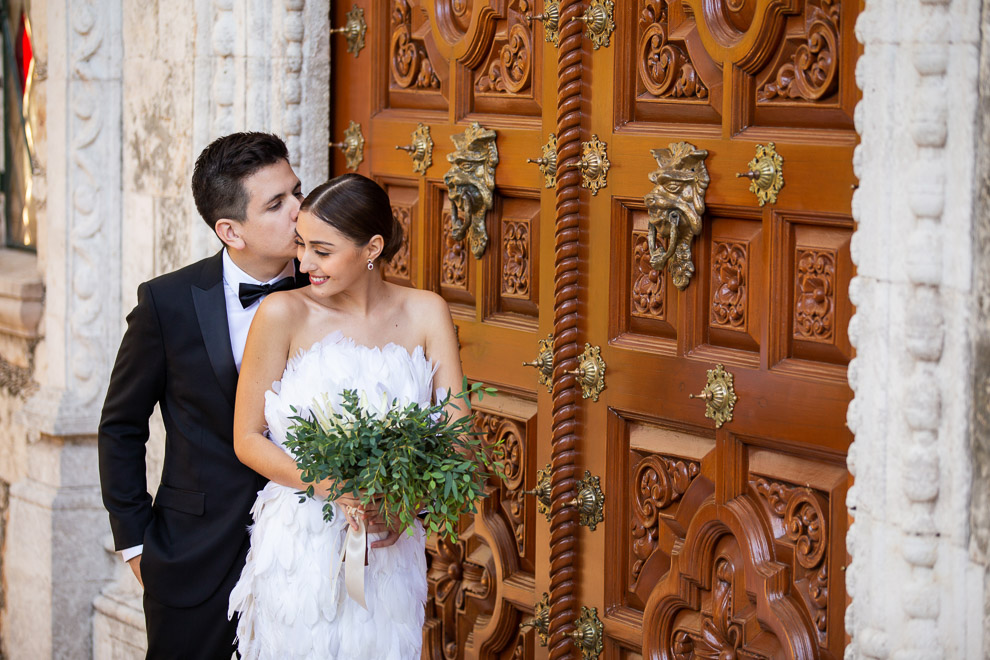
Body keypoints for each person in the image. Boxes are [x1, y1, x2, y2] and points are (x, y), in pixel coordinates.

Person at [98, 133, 400, 659]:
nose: (300, 211)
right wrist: (137, 545)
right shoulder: (166, 303)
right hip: (195, 557)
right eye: (277, 203)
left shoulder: (340, 294)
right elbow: (121, 425)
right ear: (229, 230)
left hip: (313, 555)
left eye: (298, 192)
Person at [228, 172, 464, 659]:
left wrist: (408, 502)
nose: (303, 262)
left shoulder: (427, 313)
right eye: (300, 245)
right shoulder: (281, 313)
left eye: (322, 250)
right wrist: (332, 486)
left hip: (386, 544)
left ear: (372, 247)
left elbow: (458, 439)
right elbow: (248, 438)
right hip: (299, 542)